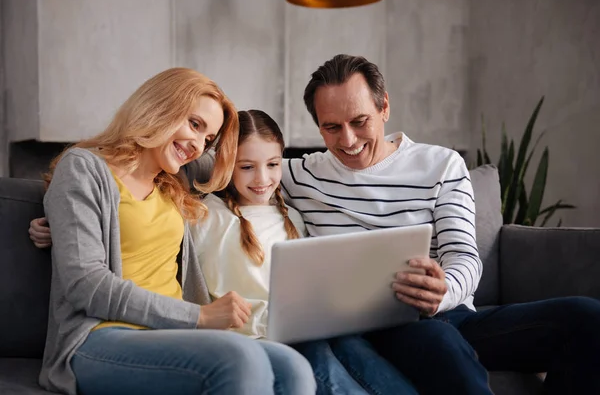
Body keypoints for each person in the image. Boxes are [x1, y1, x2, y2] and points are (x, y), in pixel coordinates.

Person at [277, 54, 600, 394]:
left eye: (360, 121)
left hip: (448, 314)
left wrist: (443, 290)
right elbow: (228, 158)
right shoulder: (299, 173)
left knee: (586, 318)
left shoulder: (441, 165)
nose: (348, 140)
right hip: (364, 330)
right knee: (436, 339)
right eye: (331, 127)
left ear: (384, 107)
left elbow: (463, 256)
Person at [38, 67, 315, 395]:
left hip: (173, 333)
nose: (197, 146)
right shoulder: (84, 168)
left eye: (208, 139)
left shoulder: (179, 177)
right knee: (238, 357)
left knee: (292, 366)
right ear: (161, 106)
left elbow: (253, 162)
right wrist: (198, 316)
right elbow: (87, 286)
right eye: (194, 124)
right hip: (99, 335)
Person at [193, 109, 417, 395]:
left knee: (357, 350)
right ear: (227, 164)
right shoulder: (207, 216)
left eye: (273, 164)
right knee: (321, 360)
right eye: (247, 167)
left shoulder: (292, 216)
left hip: (305, 326)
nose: (263, 178)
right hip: (256, 337)